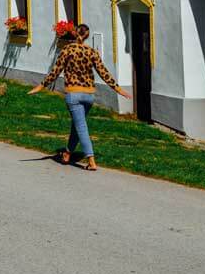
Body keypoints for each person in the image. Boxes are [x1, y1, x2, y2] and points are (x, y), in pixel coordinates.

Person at [28, 23, 131, 170]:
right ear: (87, 35)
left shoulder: (67, 50)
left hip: (73, 94)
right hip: (89, 95)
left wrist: (40, 86)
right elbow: (104, 73)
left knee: (81, 127)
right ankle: (68, 153)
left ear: (75, 33)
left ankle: (91, 160)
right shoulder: (92, 52)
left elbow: (55, 71)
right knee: (77, 126)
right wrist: (118, 89)